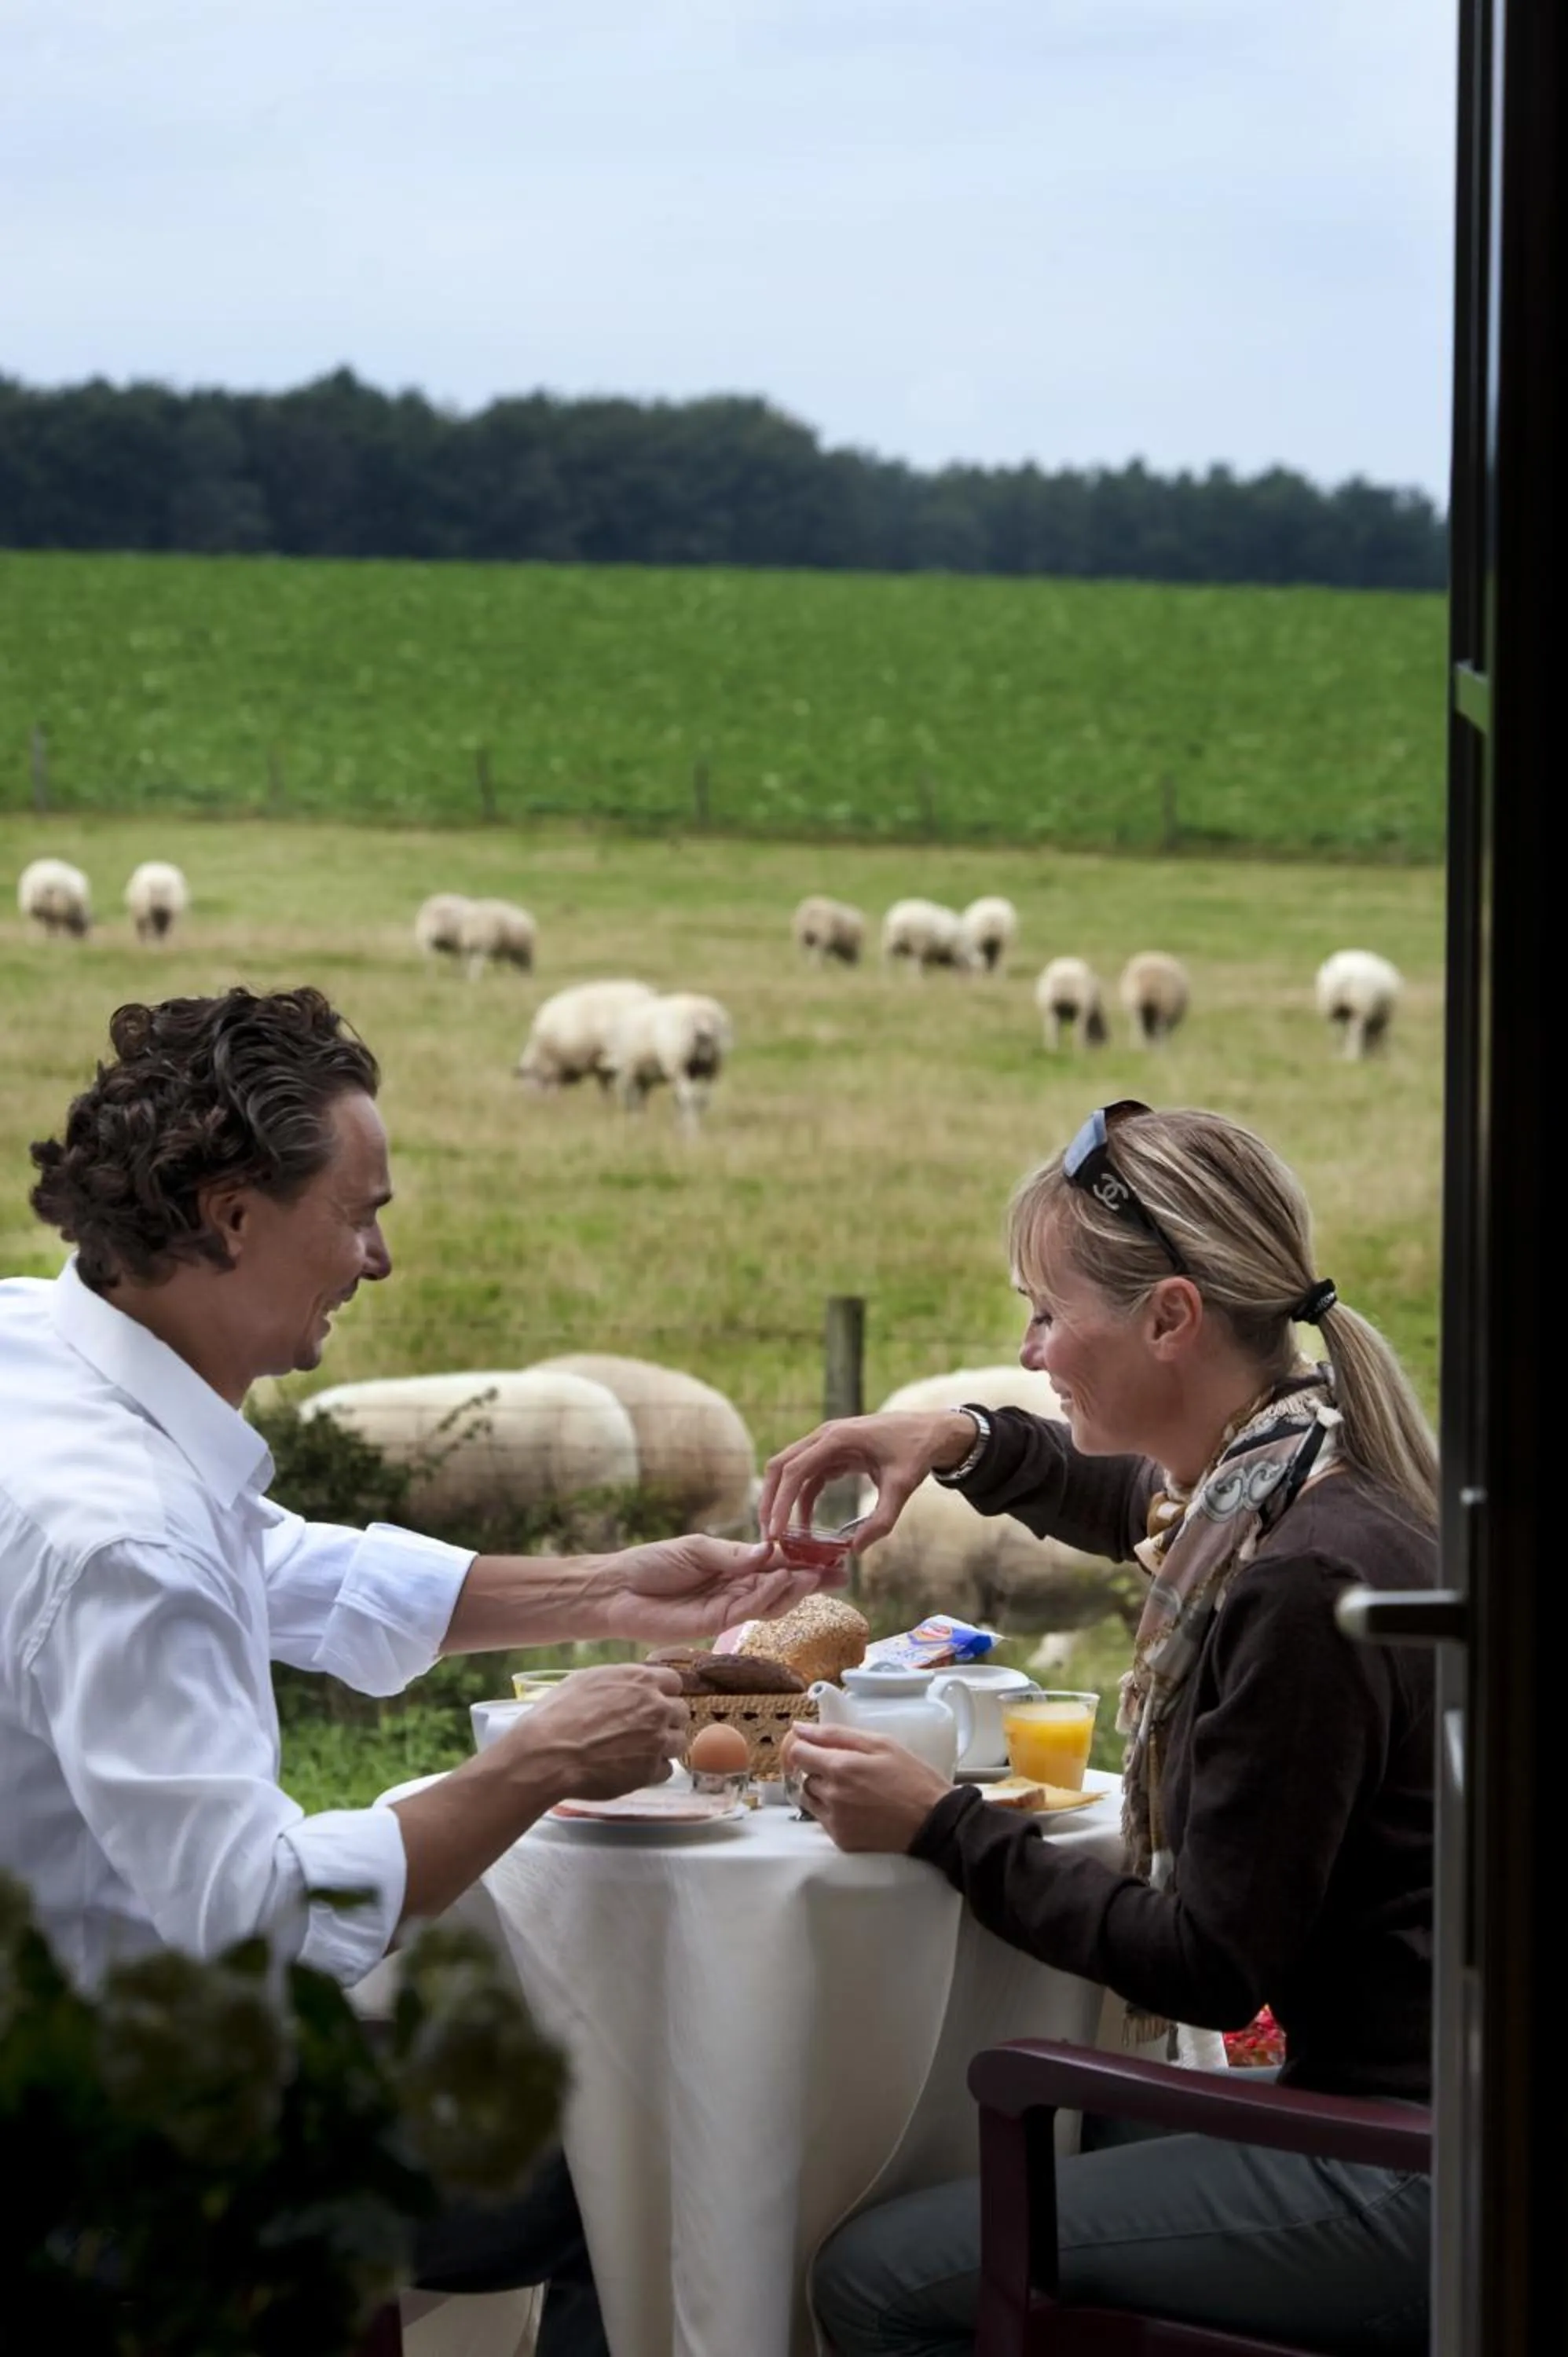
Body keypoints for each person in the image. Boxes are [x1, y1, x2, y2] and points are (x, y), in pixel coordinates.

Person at [0, 984, 836, 2355]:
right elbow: (257, 1908)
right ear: (231, 1216)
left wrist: (608, 1591)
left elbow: (263, 1564)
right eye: (360, 1213)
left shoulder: (39, 1349)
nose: (379, 1258)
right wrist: (540, 1761)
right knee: (630, 2163)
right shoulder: (126, 1532)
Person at [760, 1101, 1435, 2356]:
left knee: (872, 2277)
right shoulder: (1310, 1473)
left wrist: (942, 1828)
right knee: (1071, 2142)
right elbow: (1128, 1495)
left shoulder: (1292, 1585)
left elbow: (1207, 1966)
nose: (1028, 1352)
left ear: (1171, 1318)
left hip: (1404, 2169)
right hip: (1430, 2117)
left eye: (1047, 1313)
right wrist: (955, 1438)